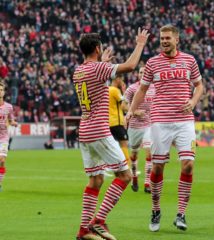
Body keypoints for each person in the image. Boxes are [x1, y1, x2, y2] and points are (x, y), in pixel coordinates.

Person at [126, 24, 204, 232]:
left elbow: (199, 85)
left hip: (185, 121)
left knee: (188, 164)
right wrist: (130, 112)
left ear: (177, 39)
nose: (164, 41)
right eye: (161, 38)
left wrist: (194, 101)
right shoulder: (152, 63)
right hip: (160, 121)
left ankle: (181, 213)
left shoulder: (189, 60)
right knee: (158, 166)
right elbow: (141, 91)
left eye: (168, 38)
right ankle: (155, 209)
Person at [73, 29, 149, 240]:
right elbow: (131, 66)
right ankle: (98, 221)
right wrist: (140, 44)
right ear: (98, 48)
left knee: (95, 181)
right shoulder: (99, 69)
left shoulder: (78, 71)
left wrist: (102, 61)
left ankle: (83, 231)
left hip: (85, 131)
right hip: (99, 131)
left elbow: (96, 79)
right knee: (125, 175)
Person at [124, 66, 156, 193]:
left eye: (145, 72)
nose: (142, 74)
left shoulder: (155, 88)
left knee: (149, 152)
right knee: (134, 154)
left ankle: (147, 183)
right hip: (134, 126)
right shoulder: (132, 88)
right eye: (140, 72)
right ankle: (135, 177)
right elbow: (123, 105)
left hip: (149, 125)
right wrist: (135, 111)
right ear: (137, 74)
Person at [109, 75, 129, 170]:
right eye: (122, 79)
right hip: (116, 122)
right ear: (117, 79)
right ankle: (127, 167)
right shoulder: (114, 90)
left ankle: (110, 166)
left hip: (108, 122)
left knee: (111, 146)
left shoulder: (107, 89)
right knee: (124, 144)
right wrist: (134, 111)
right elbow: (124, 106)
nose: (122, 82)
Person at [0, 82, 18, 192]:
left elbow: (11, 119)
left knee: (2, 160)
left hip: (3, 137)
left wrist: (13, 122)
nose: (0, 91)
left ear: (4, 92)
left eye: (1, 89)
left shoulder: (8, 107)